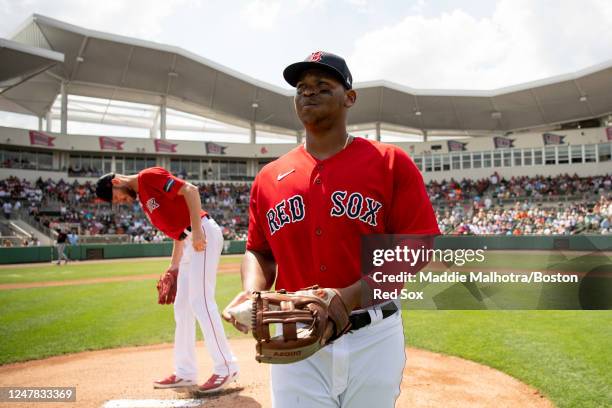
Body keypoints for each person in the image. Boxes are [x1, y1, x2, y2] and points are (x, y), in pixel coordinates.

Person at [223, 51, 439, 407]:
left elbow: (416, 245)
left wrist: (347, 296)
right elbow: (259, 250)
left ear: (349, 98)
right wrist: (253, 293)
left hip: (373, 336)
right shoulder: (267, 178)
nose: (308, 93)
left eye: (323, 86)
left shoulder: (389, 162)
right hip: (297, 337)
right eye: (302, 88)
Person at [95, 167, 238, 393]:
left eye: (117, 197)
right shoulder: (143, 198)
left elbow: (191, 191)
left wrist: (198, 231)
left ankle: (226, 366)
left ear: (116, 182)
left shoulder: (148, 177)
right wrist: (174, 266)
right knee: (182, 307)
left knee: (201, 301)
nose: (120, 201)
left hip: (203, 235)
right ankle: (185, 372)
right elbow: (178, 234)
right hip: (189, 241)